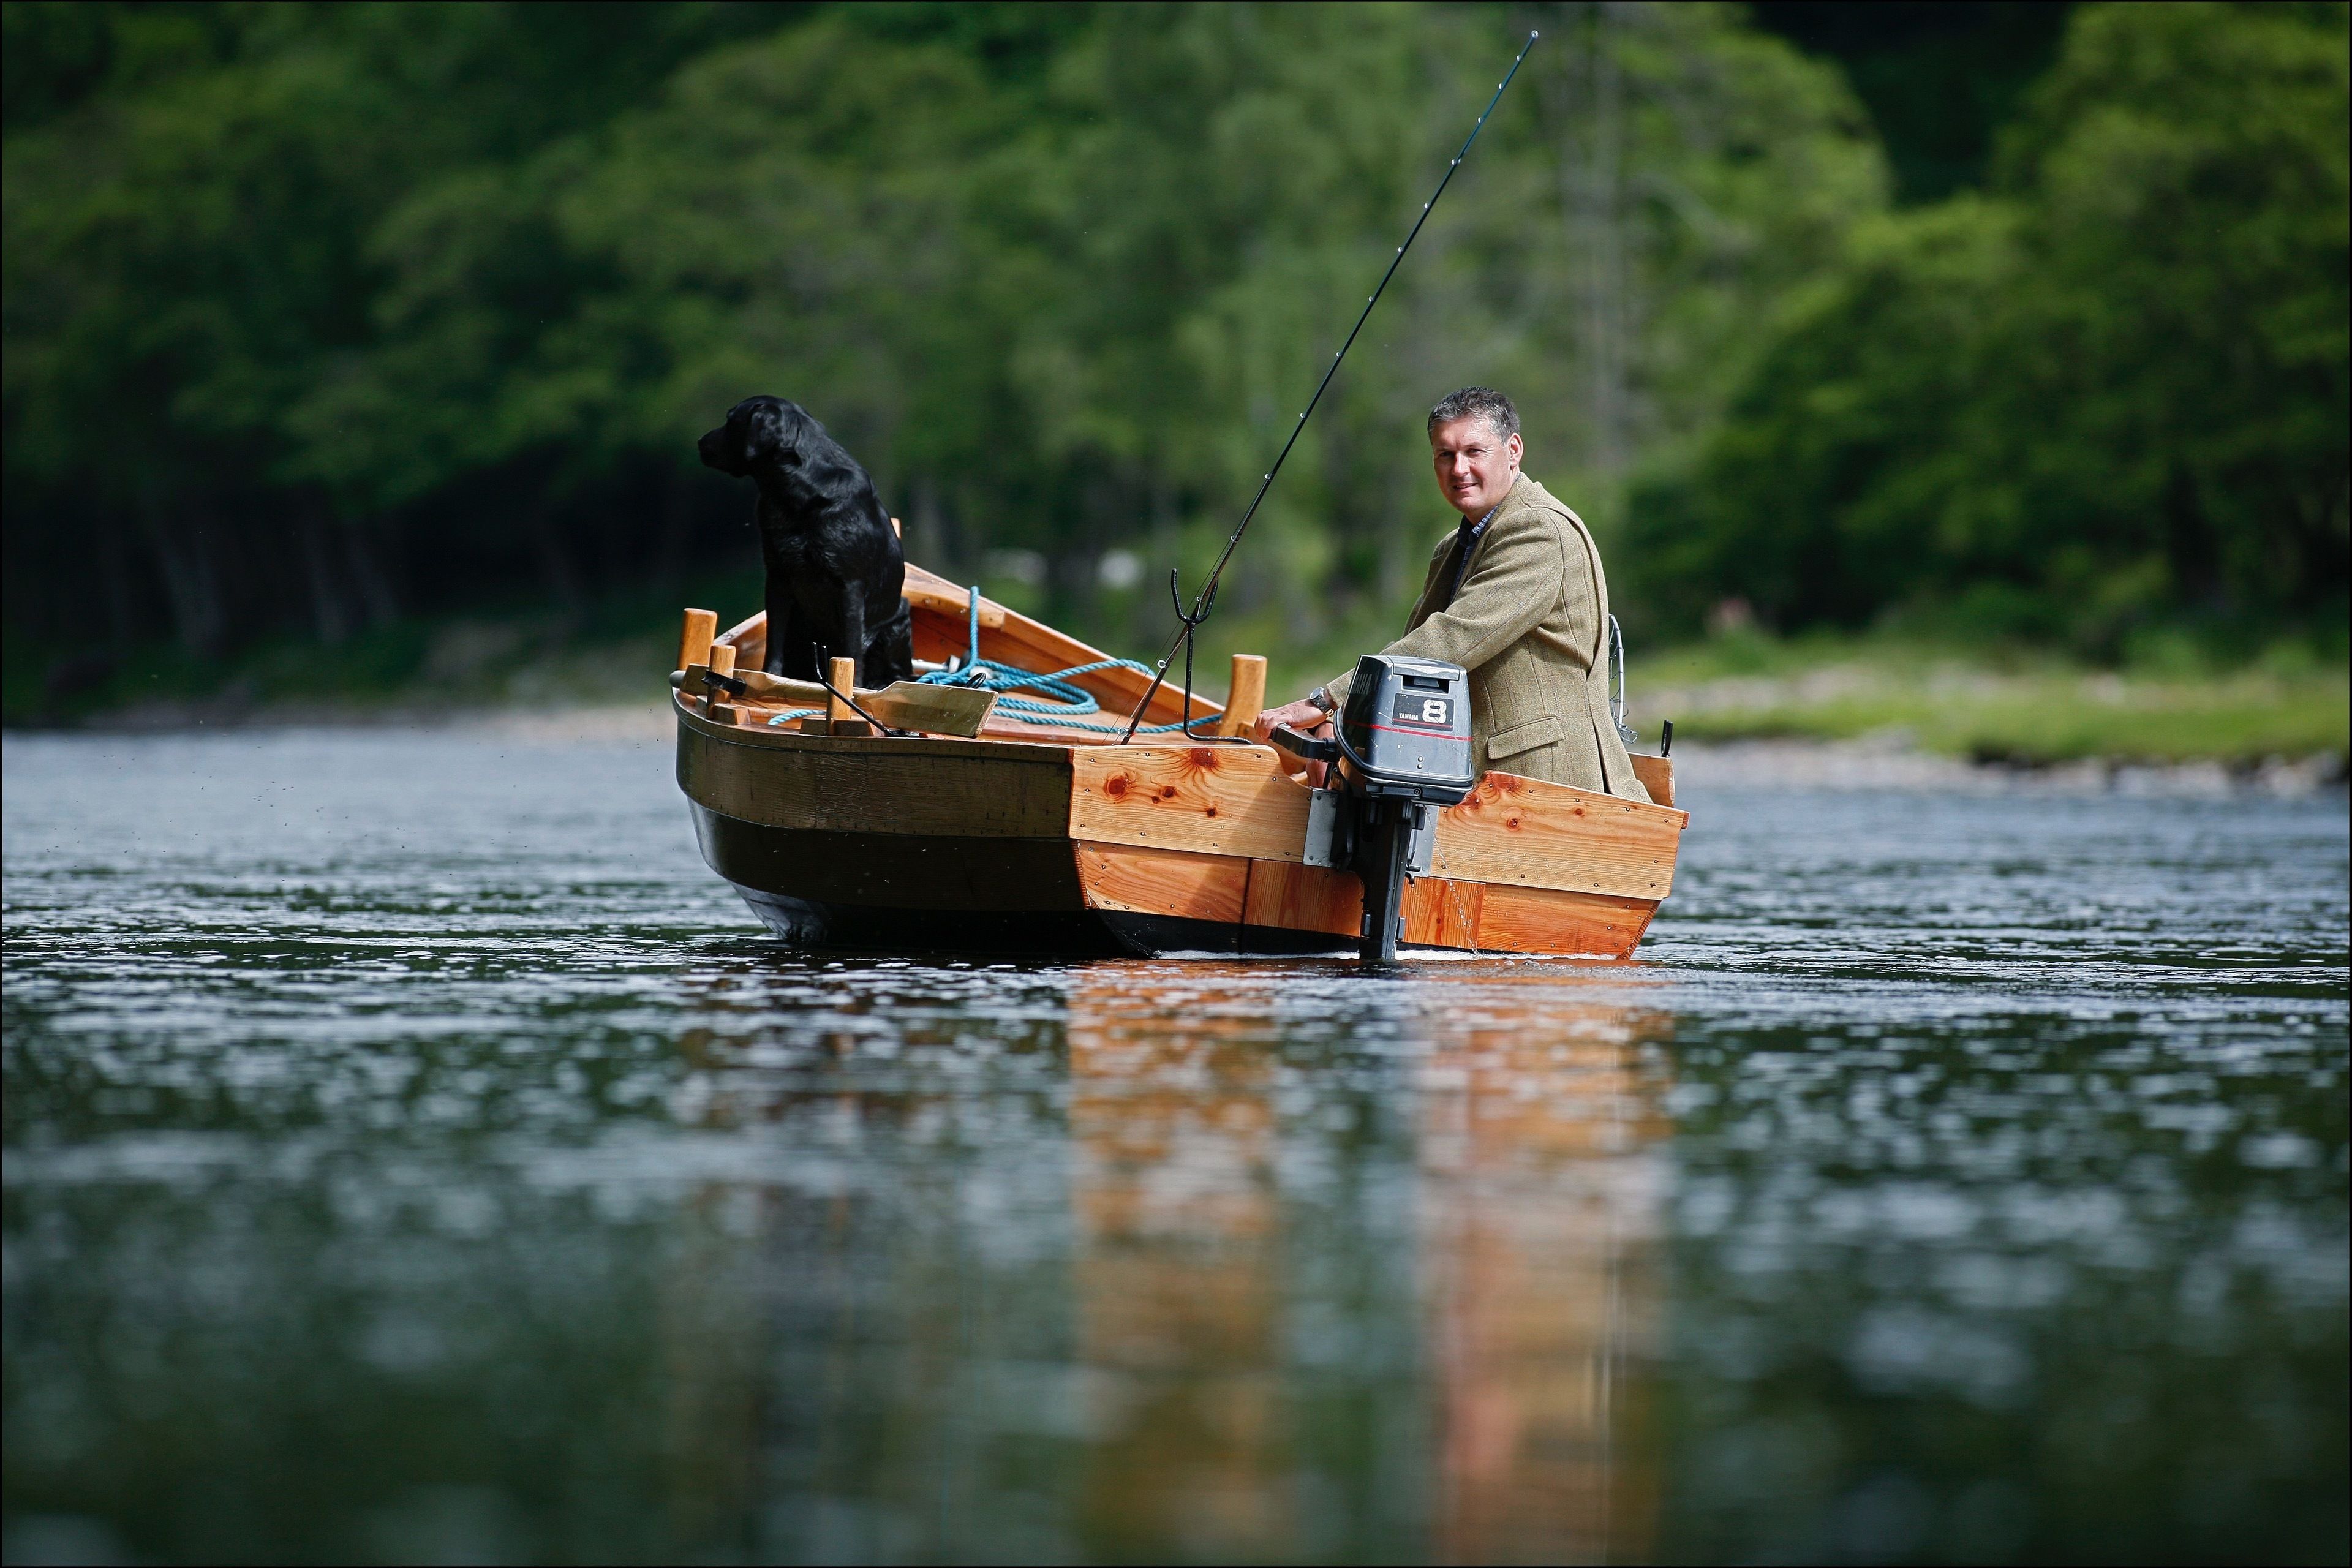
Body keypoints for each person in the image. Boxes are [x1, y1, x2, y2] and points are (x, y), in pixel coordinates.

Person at [1253, 386, 1651, 801]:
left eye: (1474, 452)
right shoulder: (1455, 545)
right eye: (1446, 455)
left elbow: (1451, 640)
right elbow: (1416, 662)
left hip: (1554, 786)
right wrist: (1343, 726)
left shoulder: (1539, 532)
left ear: (1513, 451)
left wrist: (1329, 701)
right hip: (1486, 786)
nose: (1459, 469)